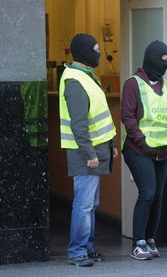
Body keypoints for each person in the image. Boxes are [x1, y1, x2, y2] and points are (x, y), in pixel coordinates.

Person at [59, 33, 118, 267]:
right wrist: (90, 154)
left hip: (96, 150)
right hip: (85, 153)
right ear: (84, 52)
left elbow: (98, 117)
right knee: (83, 204)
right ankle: (77, 251)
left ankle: (88, 247)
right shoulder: (74, 80)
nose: (99, 53)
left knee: (90, 204)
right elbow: (79, 124)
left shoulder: (87, 76)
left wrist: (110, 145)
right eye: (95, 49)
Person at [121, 40, 167, 261]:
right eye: (164, 60)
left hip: (162, 150)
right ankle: (138, 243)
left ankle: (150, 239)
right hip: (138, 150)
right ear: (153, 59)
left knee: (159, 196)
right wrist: (142, 143)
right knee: (148, 192)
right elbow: (127, 117)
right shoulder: (133, 84)